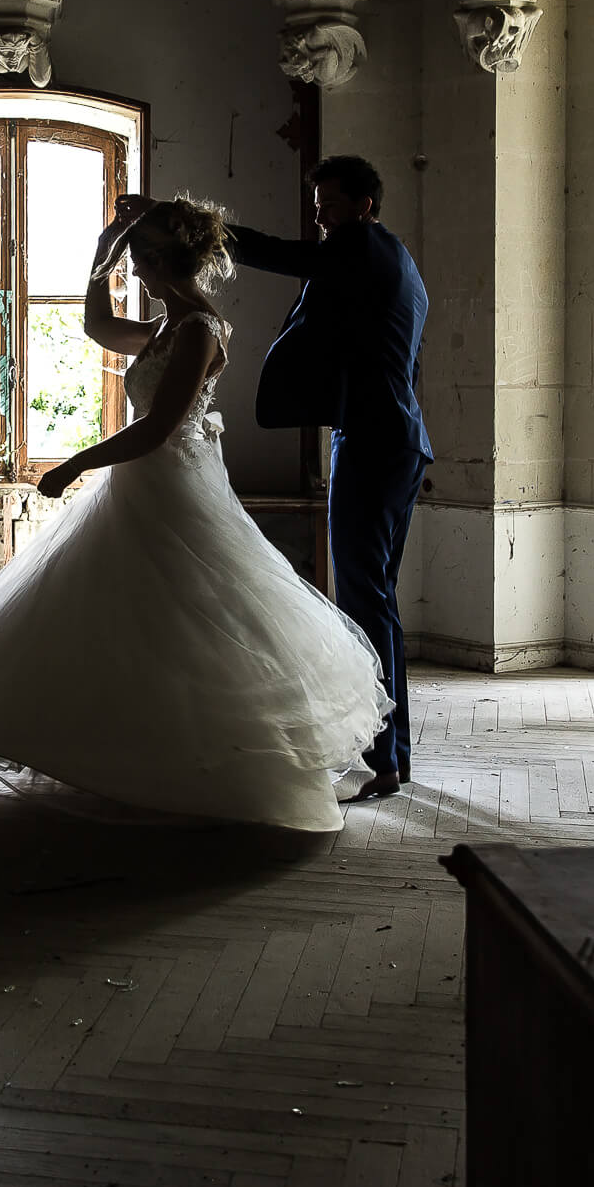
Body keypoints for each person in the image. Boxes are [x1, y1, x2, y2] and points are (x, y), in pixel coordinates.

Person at [0, 194, 394, 833]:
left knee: (189, 619)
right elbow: (98, 328)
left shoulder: (199, 329)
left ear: (167, 260)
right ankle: (129, 756)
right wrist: (103, 252)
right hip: (144, 485)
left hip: (174, 484)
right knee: (131, 618)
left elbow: (159, 429)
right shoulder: (168, 327)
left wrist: (73, 463)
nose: (136, 271)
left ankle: (205, 766)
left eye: (142, 258)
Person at [224, 155, 433, 801]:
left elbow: (282, 256)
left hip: (370, 443)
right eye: (318, 202)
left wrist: (196, 225)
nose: (320, 213)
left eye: (330, 202)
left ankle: (385, 758)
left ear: (365, 204)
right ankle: (392, 755)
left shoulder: (358, 249)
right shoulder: (400, 262)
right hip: (401, 439)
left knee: (364, 603)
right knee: (380, 601)